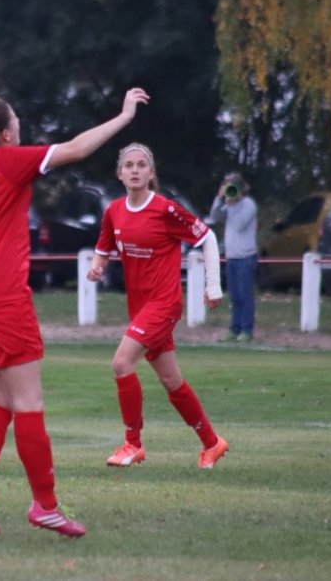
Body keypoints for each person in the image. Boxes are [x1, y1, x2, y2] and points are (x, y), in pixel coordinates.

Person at [0, 88, 149, 538]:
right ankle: (45, 506)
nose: (19, 124)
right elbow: (76, 148)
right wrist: (123, 116)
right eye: (15, 119)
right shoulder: (7, 159)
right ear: (5, 133)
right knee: (29, 404)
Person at [87, 143, 228, 470]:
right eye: (129, 165)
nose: (135, 170)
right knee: (170, 380)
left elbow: (207, 238)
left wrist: (213, 285)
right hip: (139, 307)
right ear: (119, 173)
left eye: (141, 165)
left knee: (121, 363)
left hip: (164, 304)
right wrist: (97, 268)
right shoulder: (114, 211)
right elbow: (102, 251)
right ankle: (212, 443)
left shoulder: (166, 210)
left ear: (151, 173)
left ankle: (132, 444)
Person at [207, 173, 258, 342]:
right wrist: (219, 198)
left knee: (245, 295)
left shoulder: (248, 204)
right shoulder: (228, 205)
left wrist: (232, 205)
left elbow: (240, 224)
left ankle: (246, 330)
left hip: (246, 257)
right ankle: (234, 329)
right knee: (234, 296)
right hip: (232, 257)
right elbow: (214, 217)